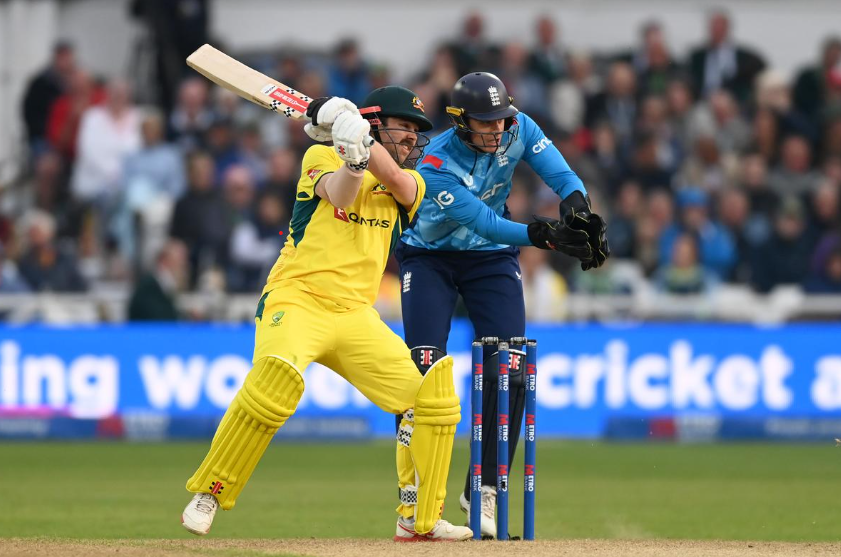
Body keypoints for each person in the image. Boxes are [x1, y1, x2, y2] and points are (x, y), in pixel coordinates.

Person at [180, 87, 473, 541]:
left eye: (418, 133)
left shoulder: (415, 183)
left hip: (356, 314)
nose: (414, 140)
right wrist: (351, 158)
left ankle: (418, 520)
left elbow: (395, 179)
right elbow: (338, 195)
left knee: (431, 399)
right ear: (377, 123)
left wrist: (360, 142)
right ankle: (210, 492)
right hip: (297, 298)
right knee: (275, 381)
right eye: (405, 129)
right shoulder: (319, 156)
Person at [396, 72, 609, 538]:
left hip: (490, 260)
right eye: (485, 122)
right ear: (460, 120)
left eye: (501, 119)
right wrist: (547, 236)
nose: (496, 129)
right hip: (430, 257)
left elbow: (561, 175)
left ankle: (485, 488)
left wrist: (577, 208)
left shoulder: (519, 128)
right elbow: (486, 222)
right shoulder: (434, 163)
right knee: (422, 371)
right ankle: (413, 498)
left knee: (510, 365)